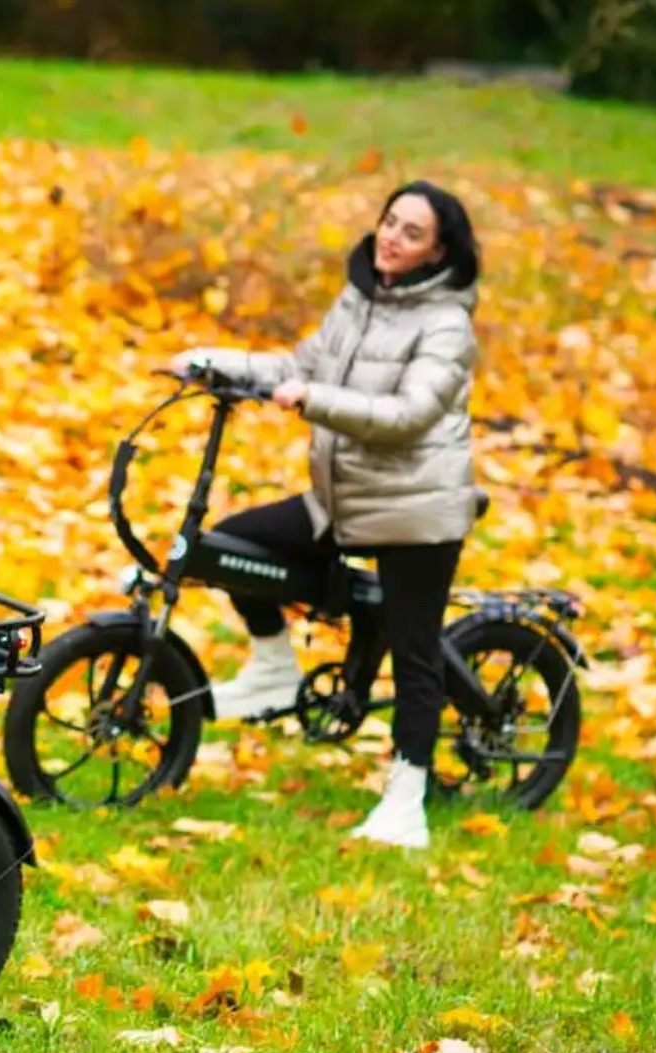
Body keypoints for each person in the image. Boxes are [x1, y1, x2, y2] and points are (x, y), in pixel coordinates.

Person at [171, 180, 483, 851]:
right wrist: (212, 363)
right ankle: (275, 670)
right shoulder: (361, 298)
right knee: (230, 545)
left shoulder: (447, 324)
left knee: (415, 651)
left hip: (416, 509)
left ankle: (406, 799)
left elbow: (408, 417)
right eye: (389, 221)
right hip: (339, 501)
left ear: (438, 254)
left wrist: (312, 398)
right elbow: (298, 365)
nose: (392, 238)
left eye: (411, 232)